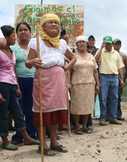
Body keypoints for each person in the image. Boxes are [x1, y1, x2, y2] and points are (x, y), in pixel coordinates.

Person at [26, 13, 76, 155]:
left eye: (56, 22)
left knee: (55, 112)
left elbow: (73, 58)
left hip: (59, 82)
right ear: (43, 26)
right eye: (50, 22)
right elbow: (28, 64)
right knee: (43, 112)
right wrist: (31, 62)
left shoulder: (62, 43)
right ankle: (43, 145)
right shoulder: (35, 42)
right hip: (43, 81)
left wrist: (67, 67)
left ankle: (54, 142)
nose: (54, 24)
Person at [0, 25, 38, 151]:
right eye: (13, 36)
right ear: (5, 38)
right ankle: (5, 140)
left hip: (12, 84)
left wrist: (16, 86)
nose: (15, 38)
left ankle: (26, 137)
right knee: (4, 114)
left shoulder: (11, 52)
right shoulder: (2, 51)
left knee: (19, 112)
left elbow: (12, 70)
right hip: (3, 85)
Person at [10, 22, 38, 145]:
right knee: (18, 110)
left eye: (26, 29)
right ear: (16, 34)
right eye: (20, 30)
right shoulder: (13, 49)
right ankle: (19, 135)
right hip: (18, 80)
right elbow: (11, 68)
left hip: (33, 81)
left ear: (30, 33)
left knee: (31, 108)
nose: (23, 32)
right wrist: (16, 84)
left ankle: (32, 133)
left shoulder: (34, 49)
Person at [70, 35, 99, 134]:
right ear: (76, 45)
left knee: (87, 105)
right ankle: (77, 126)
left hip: (90, 83)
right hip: (76, 83)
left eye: (83, 42)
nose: (81, 44)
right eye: (79, 42)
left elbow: (95, 71)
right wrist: (68, 83)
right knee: (76, 105)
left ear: (87, 44)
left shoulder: (91, 57)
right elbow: (69, 71)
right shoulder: (73, 56)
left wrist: (98, 84)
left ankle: (85, 126)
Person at [95, 36, 124, 125]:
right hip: (104, 77)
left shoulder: (116, 53)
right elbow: (95, 59)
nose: (108, 45)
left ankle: (113, 117)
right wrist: (101, 47)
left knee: (114, 98)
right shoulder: (101, 52)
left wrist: (121, 79)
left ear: (112, 43)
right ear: (104, 43)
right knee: (103, 98)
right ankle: (103, 118)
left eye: (109, 43)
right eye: (106, 43)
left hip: (114, 77)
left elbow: (120, 67)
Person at [113, 38, 127, 120]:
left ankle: (118, 115)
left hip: (120, 79)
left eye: (118, 44)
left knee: (118, 98)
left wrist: (124, 79)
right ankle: (111, 115)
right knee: (110, 97)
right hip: (111, 77)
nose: (117, 45)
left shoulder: (123, 55)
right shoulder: (109, 53)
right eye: (115, 44)